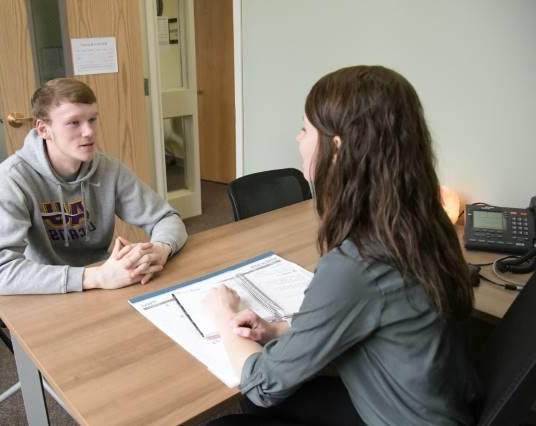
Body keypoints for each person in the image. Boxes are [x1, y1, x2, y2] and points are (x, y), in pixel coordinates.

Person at [203, 66, 479, 425]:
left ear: (336, 148)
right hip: (432, 404)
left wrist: (224, 318)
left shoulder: (358, 264)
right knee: (263, 404)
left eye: (305, 129)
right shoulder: (424, 221)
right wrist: (277, 332)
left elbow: (260, 383)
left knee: (238, 412)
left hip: (398, 417)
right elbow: (370, 317)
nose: (298, 138)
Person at [0, 78, 187, 295]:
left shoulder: (108, 168)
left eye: (92, 119)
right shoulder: (12, 178)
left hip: (103, 282)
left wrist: (160, 249)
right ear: (43, 129)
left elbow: (166, 218)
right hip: (45, 288)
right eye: (74, 123)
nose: (89, 132)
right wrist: (96, 277)